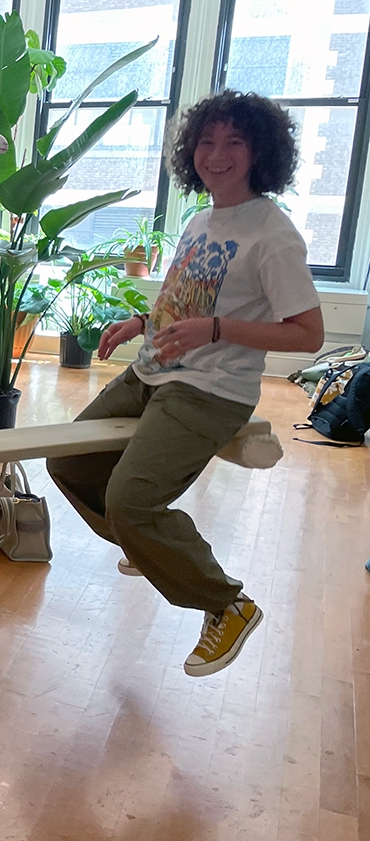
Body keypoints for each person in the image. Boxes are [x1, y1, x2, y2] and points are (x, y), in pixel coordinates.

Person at [46, 91, 325, 678]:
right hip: (152, 370)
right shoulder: (201, 221)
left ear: (260, 154)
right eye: (206, 141)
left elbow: (308, 336)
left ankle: (227, 603)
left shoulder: (274, 235)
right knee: (68, 462)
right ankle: (149, 546)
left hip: (210, 390)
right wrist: (142, 322)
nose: (216, 155)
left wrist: (218, 330)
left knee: (130, 500)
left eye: (234, 143)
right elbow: (191, 302)